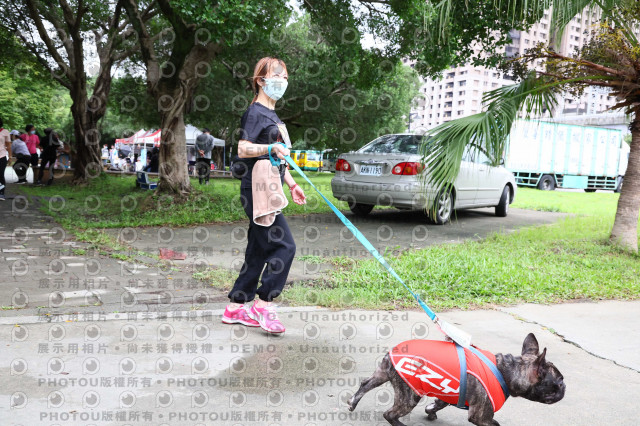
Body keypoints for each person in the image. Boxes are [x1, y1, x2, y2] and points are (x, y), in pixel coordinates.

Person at [222, 57, 306, 334]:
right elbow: (243, 148)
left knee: (258, 250)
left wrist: (291, 184)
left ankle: (236, 307)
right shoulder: (255, 112)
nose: (282, 81)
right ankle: (264, 304)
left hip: (270, 186)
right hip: (257, 189)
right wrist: (269, 148)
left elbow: (278, 158)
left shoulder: (273, 116)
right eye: (276, 76)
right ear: (261, 80)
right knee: (285, 247)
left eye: (285, 77)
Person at [0, 118, 10, 200]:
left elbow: (8, 145)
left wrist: (10, 157)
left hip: (2, 156)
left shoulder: (5, 132)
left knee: (0, 175)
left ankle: (1, 193)